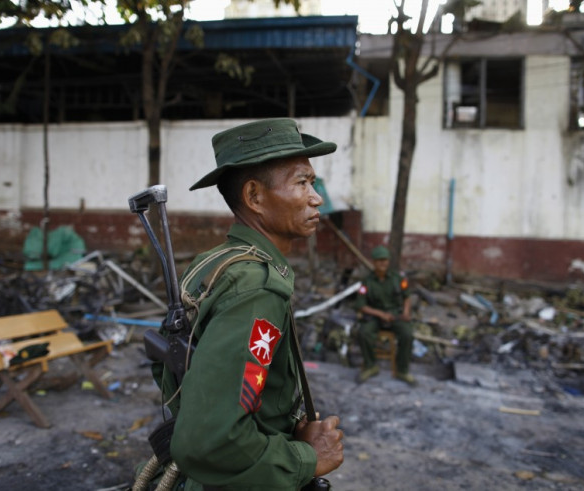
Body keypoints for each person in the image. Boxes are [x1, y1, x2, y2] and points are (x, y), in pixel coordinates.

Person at [155, 118, 345, 490]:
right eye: (302, 182)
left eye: (313, 182)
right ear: (255, 197)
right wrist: (308, 458)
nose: (316, 197)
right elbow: (209, 440)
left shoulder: (216, 262)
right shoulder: (255, 287)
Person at [355, 245, 416, 386]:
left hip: (395, 315)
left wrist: (406, 312)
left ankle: (402, 370)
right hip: (376, 316)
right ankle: (371, 366)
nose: (383, 263)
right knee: (364, 333)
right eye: (379, 260)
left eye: (385, 260)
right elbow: (361, 305)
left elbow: (407, 296)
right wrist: (380, 314)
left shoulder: (398, 278)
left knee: (407, 334)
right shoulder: (367, 282)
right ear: (374, 262)